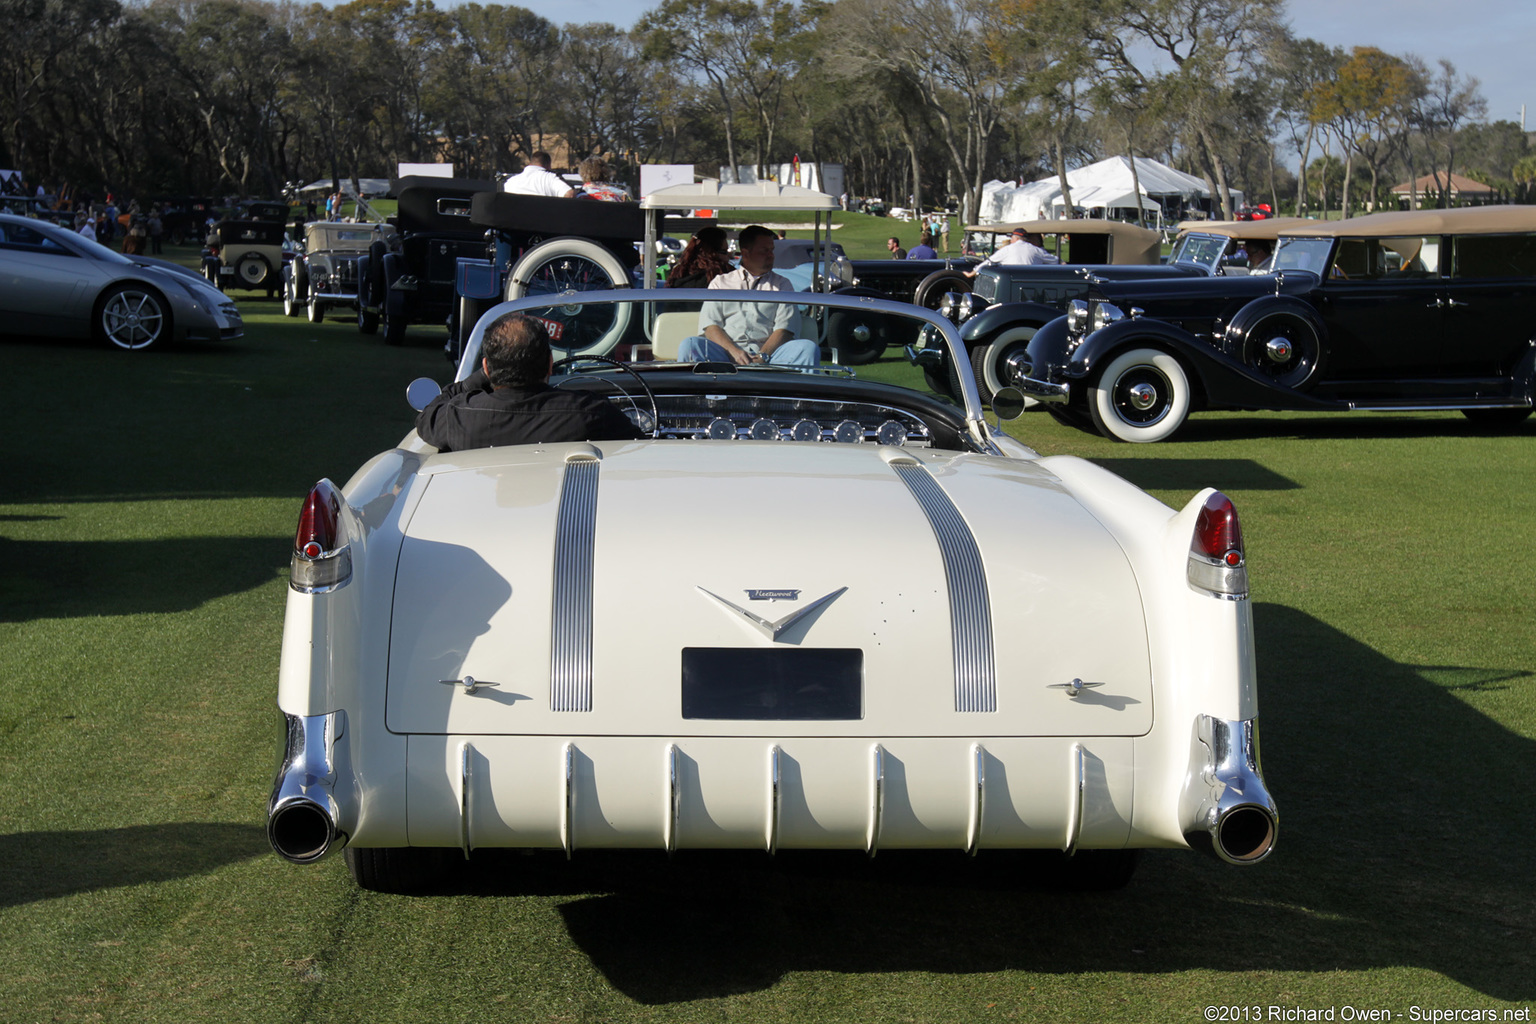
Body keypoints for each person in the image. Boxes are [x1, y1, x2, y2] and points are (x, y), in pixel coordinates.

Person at [415, 313, 643, 452]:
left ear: (486, 367)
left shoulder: (459, 416)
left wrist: (481, 377)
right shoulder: (593, 412)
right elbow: (636, 448)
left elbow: (428, 416)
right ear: (550, 364)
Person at [675, 224, 819, 367]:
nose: (771, 255)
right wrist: (734, 352)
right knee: (690, 345)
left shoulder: (782, 285)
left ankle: (802, 390)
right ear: (746, 252)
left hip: (771, 356)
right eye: (764, 251)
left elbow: (785, 329)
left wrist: (763, 355)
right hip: (726, 354)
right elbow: (710, 325)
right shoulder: (721, 283)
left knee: (807, 348)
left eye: (772, 250)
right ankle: (694, 390)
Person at [964, 228, 1059, 277]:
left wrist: (972, 273)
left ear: (1016, 238)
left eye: (1012, 237)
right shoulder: (1036, 250)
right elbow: (1056, 261)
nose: (1011, 240)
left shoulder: (1007, 250)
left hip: (1011, 282)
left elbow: (989, 261)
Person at [666, 225, 732, 289]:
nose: (729, 256)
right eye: (724, 252)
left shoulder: (678, 273)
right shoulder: (725, 275)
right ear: (711, 253)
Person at [503, 151, 576, 198]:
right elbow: (570, 193)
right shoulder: (550, 178)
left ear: (530, 163)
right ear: (548, 165)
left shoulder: (510, 182)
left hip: (515, 221)